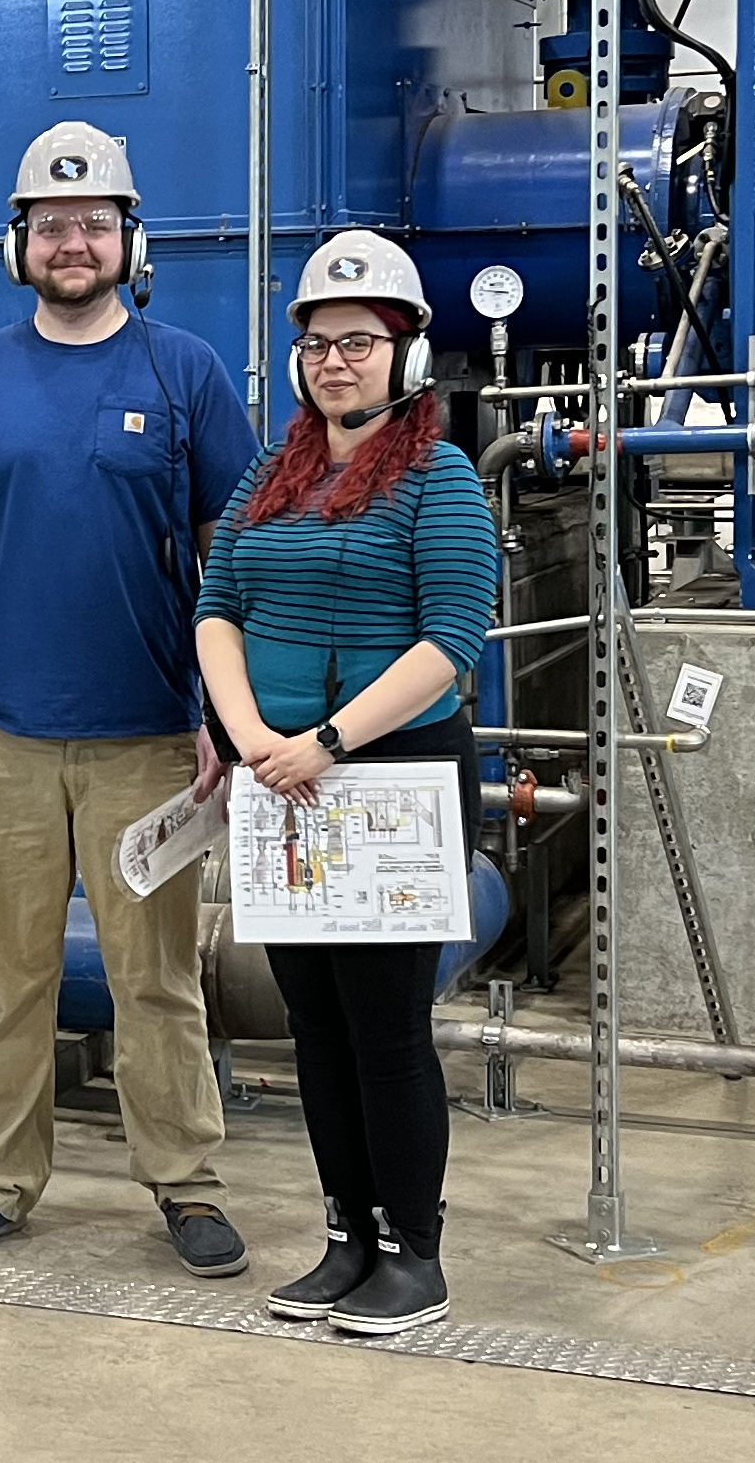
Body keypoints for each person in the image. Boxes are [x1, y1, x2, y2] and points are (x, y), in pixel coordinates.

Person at [0, 121, 261, 1275]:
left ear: (127, 240)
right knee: (10, 972)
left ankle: (185, 1180)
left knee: (157, 974)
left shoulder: (186, 373)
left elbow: (229, 554)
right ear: (20, 244)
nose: (72, 241)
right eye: (51, 224)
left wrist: (217, 714)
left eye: (93, 224)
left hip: (148, 739)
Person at [194, 228, 500, 1337]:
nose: (335, 360)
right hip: (280, 782)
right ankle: (346, 1236)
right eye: (318, 342)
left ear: (406, 353)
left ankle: (414, 1254)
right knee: (311, 1025)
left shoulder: (441, 475)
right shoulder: (268, 479)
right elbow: (216, 604)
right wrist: (247, 738)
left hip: (388, 781)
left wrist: (321, 739)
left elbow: (450, 639)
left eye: (358, 341)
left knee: (384, 1027)